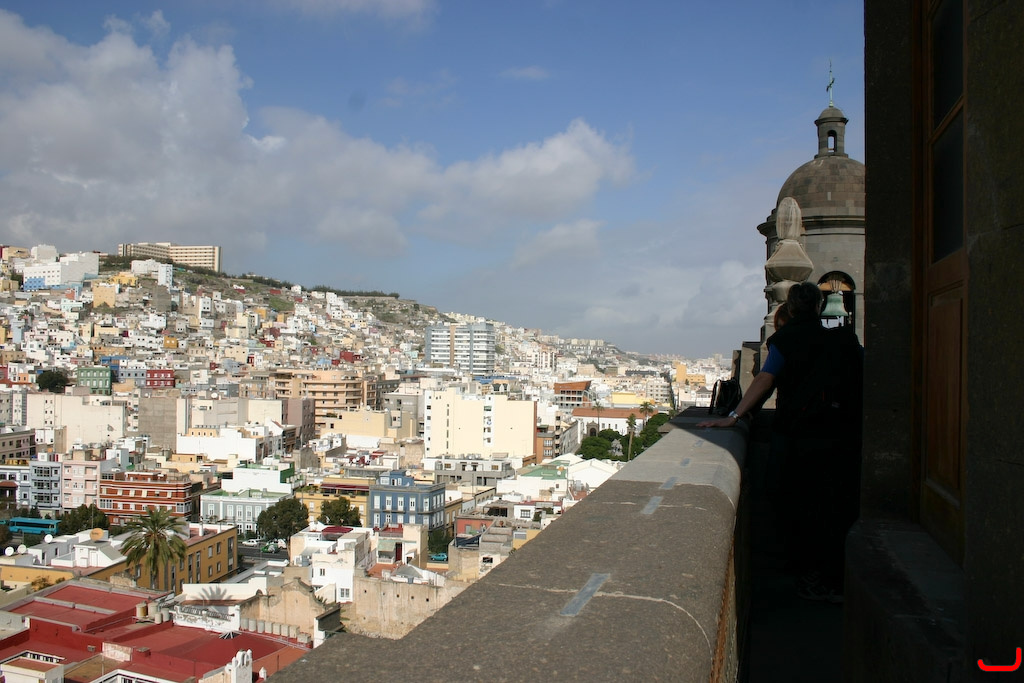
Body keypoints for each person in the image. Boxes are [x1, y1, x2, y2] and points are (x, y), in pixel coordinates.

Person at [698, 281, 862, 602]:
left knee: (795, 505)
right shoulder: (841, 341)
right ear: (818, 307)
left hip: (797, 437)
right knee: (832, 510)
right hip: (838, 437)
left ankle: (807, 577)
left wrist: (735, 415)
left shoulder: (786, 340)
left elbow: (765, 378)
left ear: (791, 307)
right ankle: (830, 580)